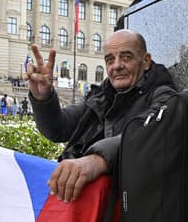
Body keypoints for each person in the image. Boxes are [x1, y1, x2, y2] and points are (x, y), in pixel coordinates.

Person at [26, 29, 177, 203]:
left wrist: (97, 160)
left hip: (126, 210)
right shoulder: (100, 96)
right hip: (84, 205)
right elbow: (58, 129)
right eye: (110, 59)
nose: (117, 65)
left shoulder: (163, 95)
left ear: (146, 61)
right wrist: (43, 98)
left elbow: (148, 133)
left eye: (126, 57)